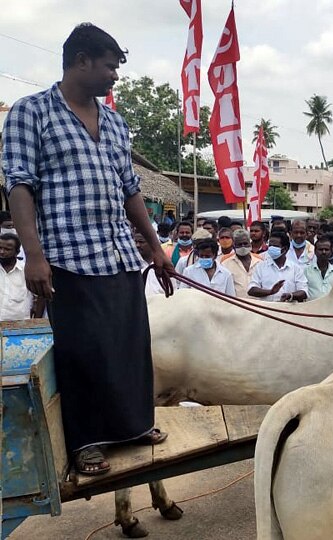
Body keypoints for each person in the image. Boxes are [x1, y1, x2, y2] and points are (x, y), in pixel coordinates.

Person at [1, 23, 172, 475]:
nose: (115, 76)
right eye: (110, 66)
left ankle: (134, 425)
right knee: (82, 350)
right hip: (68, 256)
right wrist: (34, 255)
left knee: (129, 344)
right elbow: (19, 185)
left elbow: (131, 189)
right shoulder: (30, 112)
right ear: (81, 61)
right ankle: (86, 441)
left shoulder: (115, 122)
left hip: (117, 252)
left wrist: (156, 248)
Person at [248, 232, 308, 302]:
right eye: (270, 245)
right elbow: (251, 290)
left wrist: (290, 295)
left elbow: (304, 292)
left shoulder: (295, 268)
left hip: (289, 309)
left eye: (275, 246)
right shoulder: (260, 267)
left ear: (285, 249)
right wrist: (270, 292)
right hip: (267, 310)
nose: (271, 248)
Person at [0, 233, 39, 319]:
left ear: (17, 252)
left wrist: (36, 321)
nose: (2, 252)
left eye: (7, 249)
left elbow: (40, 298)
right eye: (0, 248)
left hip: (19, 327)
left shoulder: (28, 271)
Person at [222, 229, 261, 298]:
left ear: (250, 243)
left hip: (258, 305)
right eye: (239, 244)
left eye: (245, 243)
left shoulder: (260, 262)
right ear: (234, 245)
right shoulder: (225, 264)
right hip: (237, 305)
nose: (243, 247)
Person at [135, 232, 166, 297]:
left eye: (141, 242)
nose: (137, 245)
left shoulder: (164, 266)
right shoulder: (133, 267)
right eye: (135, 242)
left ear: (152, 244)